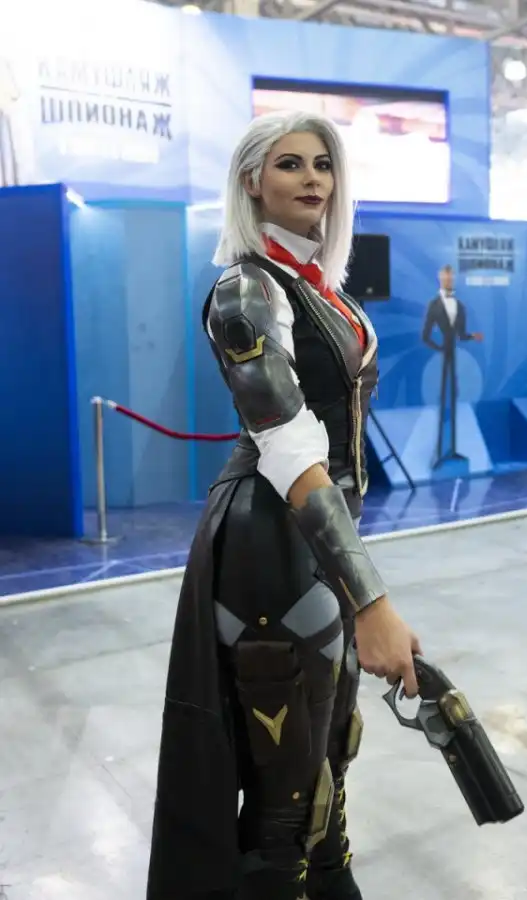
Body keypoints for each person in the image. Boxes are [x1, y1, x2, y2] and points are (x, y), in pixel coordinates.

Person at [146, 110, 422, 900]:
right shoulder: (246, 289)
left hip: (318, 543)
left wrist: (359, 587)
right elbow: (293, 446)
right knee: (284, 808)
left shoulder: (317, 288)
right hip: (270, 544)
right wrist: (372, 600)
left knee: (327, 770)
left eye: (323, 165)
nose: (312, 180)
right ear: (251, 181)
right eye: (291, 164)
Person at [421, 264, 483, 467]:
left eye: (451, 277)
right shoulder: (434, 305)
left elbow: (461, 335)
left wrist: (472, 336)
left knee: (454, 400)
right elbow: (425, 336)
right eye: (445, 277)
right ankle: (439, 452)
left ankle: (453, 449)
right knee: (442, 401)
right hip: (442, 359)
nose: (448, 280)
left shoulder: (460, 306)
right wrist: (439, 349)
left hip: (454, 358)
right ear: (440, 278)